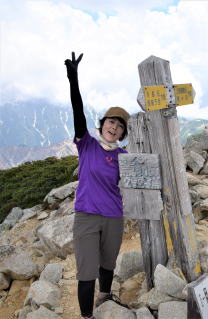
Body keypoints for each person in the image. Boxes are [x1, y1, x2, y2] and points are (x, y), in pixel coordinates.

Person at [65, 52, 130, 319]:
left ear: (123, 134)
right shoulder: (87, 145)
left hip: (114, 216)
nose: (114, 128)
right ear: (103, 124)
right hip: (87, 217)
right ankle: (87, 316)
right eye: (111, 122)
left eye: (120, 127)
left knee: (108, 264)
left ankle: (105, 299)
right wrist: (73, 80)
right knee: (86, 270)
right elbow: (77, 112)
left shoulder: (124, 157)